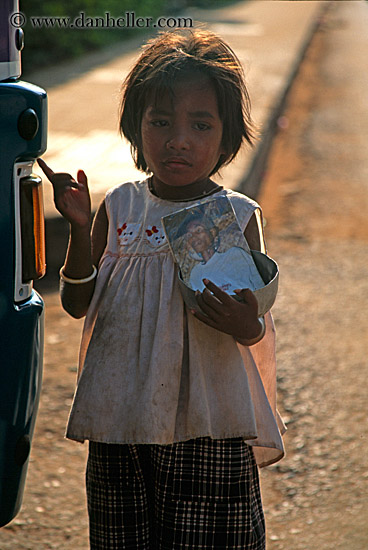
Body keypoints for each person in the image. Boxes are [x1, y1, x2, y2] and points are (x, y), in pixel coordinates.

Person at [38, 29, 285, 550]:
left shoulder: (236, 218)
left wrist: (245, 322)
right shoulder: (120, 208)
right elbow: (80, 303)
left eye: (201, 124)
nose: (179, 139)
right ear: (136, 128)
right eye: (161, 122)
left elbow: (254, 326)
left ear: (226, 138)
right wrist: (79, 229)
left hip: (206, 423)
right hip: (121, 419)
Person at [182, 213, 265, 293]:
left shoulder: (235, 254)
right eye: (189, 235)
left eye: (198, 230)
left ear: (212, 232)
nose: (194, 237)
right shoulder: (195, 273)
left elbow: (259, 285)